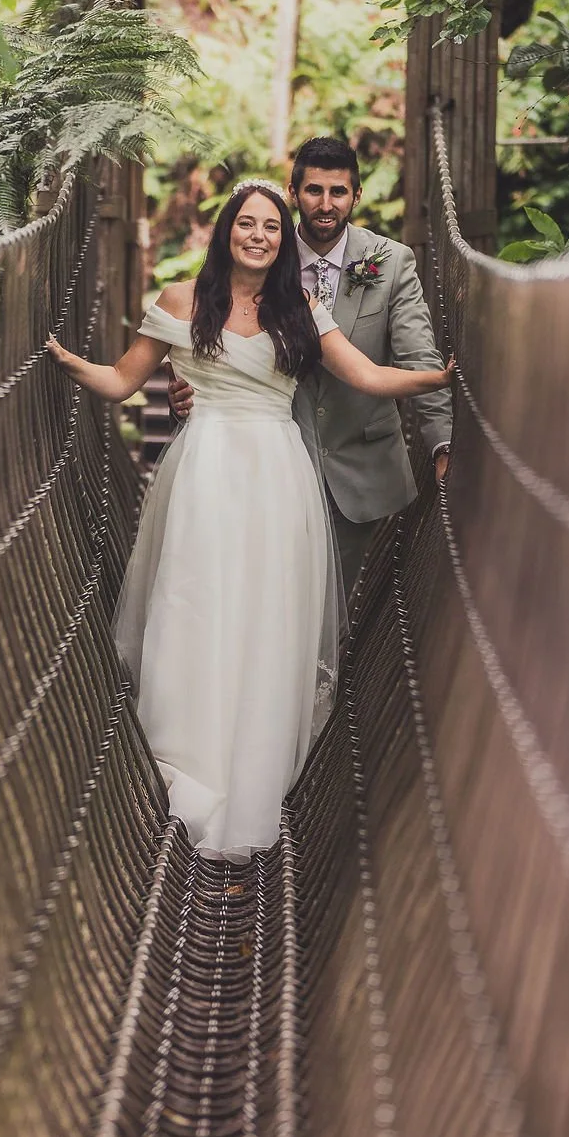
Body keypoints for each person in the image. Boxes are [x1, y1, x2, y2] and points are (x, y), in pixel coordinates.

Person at [45, 181, 452, 859]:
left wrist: (436, 381)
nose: (257, 235)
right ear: (227, 230)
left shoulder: (300, 308)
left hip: (274, 476)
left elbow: (368, 376)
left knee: (263, 612)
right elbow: (121, 381)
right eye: (246, 223)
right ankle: (184, 752)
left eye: (269, 226)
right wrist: (63, 361)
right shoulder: (182, 300)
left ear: (279, 237)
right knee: (196, 602)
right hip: (204, 471)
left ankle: (250, 762)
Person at [167, 137, 454, 589]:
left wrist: (442, 443)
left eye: (338, 192)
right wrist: (183, 386)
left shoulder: (392, 263)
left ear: (356, 196)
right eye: (314, 191)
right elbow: (211, 328)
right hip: (270, 459)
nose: (326, 204)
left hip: (358, 464)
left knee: (330, 605)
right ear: (294, 193)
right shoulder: (263, 254)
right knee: (262, 588)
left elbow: (419, 356)